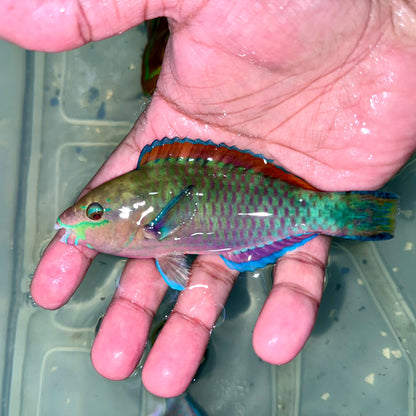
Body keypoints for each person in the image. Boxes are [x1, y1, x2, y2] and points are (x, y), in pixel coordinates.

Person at [2, 0, 416, 398]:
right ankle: (343, 213)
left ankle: (342, 214)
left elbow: (170, 255)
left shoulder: (153, 223)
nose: (78, 218)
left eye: (94, 212)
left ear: (142, 223)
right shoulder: (152, 214)